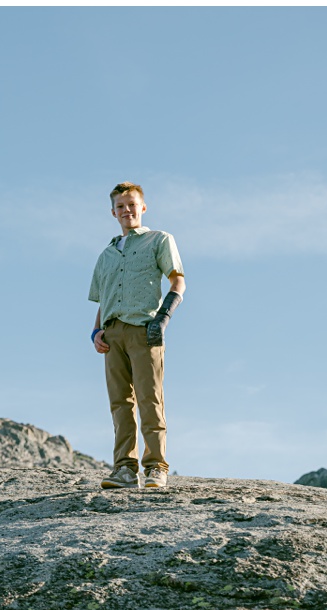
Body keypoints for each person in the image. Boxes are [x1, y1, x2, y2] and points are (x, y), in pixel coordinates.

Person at [89, 181, 185, 489]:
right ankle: (125, 470)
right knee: (119, 403)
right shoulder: (105, 255)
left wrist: (164, 318)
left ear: (142, 207)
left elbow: (178, 281)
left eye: (132, 204)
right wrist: (95, 332)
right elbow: (103, 299)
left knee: (149, 399)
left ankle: (156, 466)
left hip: (145, 331)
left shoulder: (159, 240)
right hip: (112, 334)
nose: (126, 210)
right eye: (120, 206)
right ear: (113, 212)